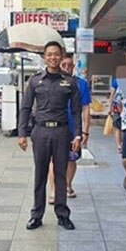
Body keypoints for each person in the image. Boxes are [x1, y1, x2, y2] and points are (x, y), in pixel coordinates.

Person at [19, 40, 82, 230]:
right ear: (44, 57)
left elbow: (77, 111)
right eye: (49, 54)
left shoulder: (70, 82)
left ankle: (62, 215)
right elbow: (25, 107)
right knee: (40, 174)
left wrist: (78, 135)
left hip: (62, 132)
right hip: (41, 132)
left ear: (61, 56)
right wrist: (22, 133)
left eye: (56, 54)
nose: (53, 57)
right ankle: (36, 215)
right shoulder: (35, 81)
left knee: (61, 175)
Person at [48, 52, 91, 201]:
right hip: (55, 128)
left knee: (71, 158)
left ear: (74, 67)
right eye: (63, 65)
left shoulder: (81, 84)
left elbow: (85, 109)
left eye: (69, 65)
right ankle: (53, 191)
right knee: (54, 160)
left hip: (74, 129)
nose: (67, 68)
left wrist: (85, 131)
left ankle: (67, 185)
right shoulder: (51, 82)